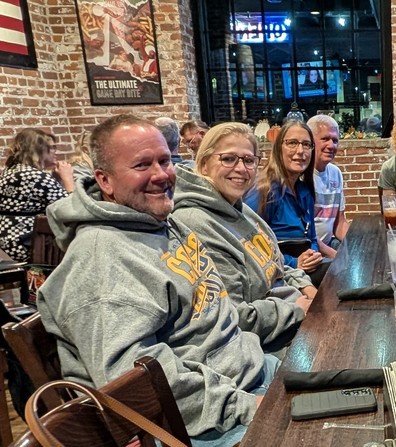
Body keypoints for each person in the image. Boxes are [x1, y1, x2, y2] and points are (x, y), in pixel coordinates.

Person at [36, 114, 272, 445]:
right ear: (105, 181)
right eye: (142, 165)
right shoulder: (101, 261)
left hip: (251, 369)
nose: (161, 175)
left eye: (165, 160)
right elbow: (137, 384)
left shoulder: (159, 220)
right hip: (204, 422)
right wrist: (244, 406)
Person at [172, 122, 315, 354]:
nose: (241, 168)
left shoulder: (240, 208)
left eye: (249, 160)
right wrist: (297, 310)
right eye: (228, 159)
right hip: (269, 344)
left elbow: (277, 265)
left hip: (294, 317)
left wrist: (307, 288)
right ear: (204, 164)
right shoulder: (195, 223)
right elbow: (234, 315)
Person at [244, 121, 328, 286]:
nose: (300, 151)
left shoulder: (305, 191)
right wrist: (293, 263)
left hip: (305, 270)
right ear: (278, 148)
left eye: (306, 144)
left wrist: (313, 255)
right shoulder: (263, 191)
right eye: (292, 143)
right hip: (276, 276)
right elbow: (248, 246)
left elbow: (311, 238)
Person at [0, 129, 73, 262]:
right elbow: (72, 210)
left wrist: (57, 180)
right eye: (51, 147)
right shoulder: (35, 176)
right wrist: (68, 179)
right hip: (28, 244)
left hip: (8, 242)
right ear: (38, 149)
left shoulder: (13, 171)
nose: (55, 151)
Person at [308, 115, 349, 258]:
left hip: (328, 243)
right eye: (325, 139)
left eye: (335, 140)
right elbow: (305, 235)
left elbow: (340, 223)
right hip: (309, 250)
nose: (331, 145)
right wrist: (337, 256)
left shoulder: (335, 172)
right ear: (310, 142)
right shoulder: (301, 176)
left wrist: (356, 243)